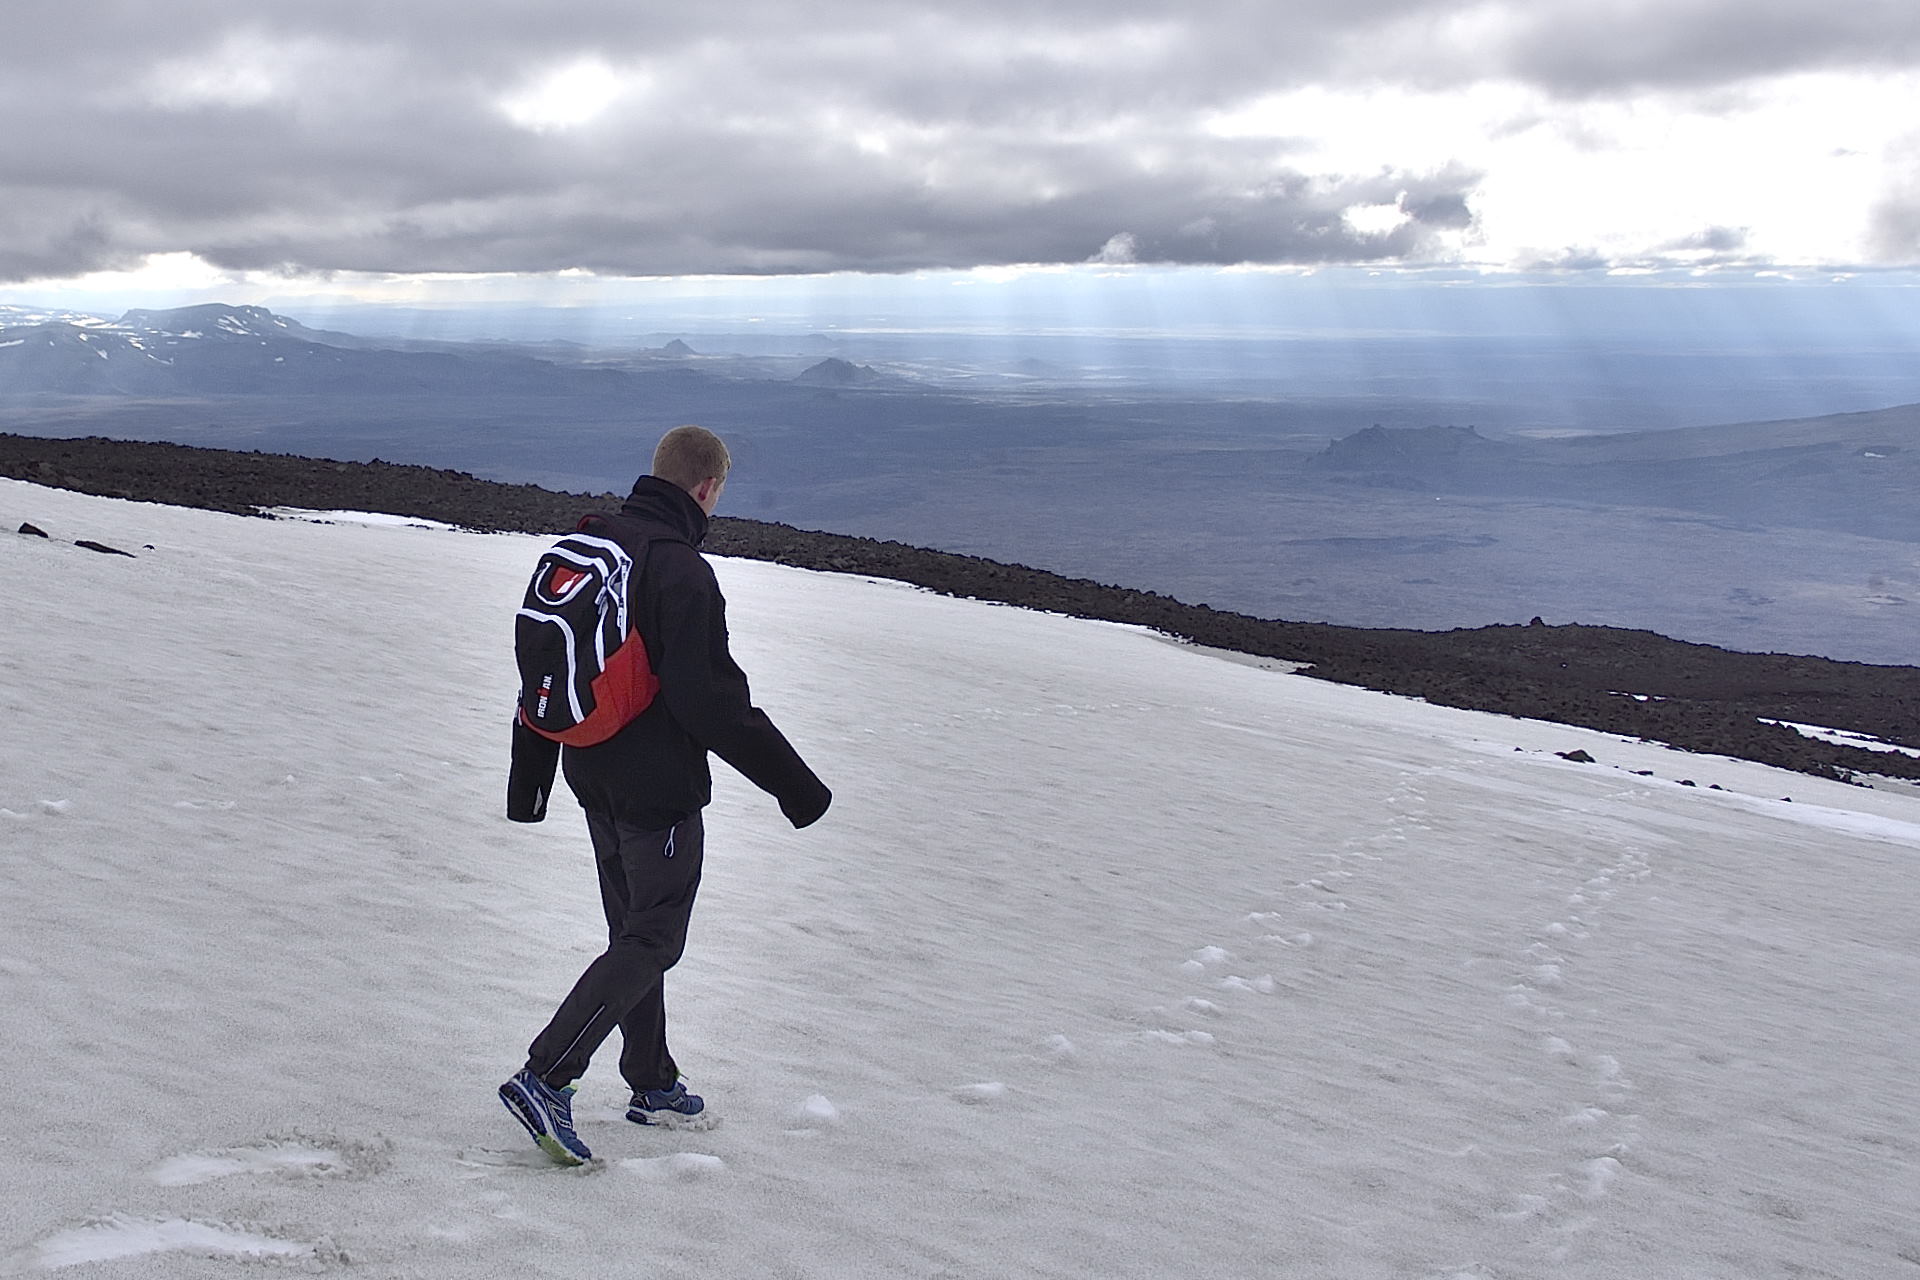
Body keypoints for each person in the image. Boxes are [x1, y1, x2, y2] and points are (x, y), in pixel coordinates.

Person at [499, 425, 832, 1166]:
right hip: (658, 794)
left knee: (634, 935)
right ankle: (547, 1075)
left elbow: (538, 666)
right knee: (655, 938)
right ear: (708, 488)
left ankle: (651, 1081)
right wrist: (798, 790)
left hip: (591, 773)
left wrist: (531, 785)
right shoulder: (679, 569)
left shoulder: (592, 544)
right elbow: (711, 702)